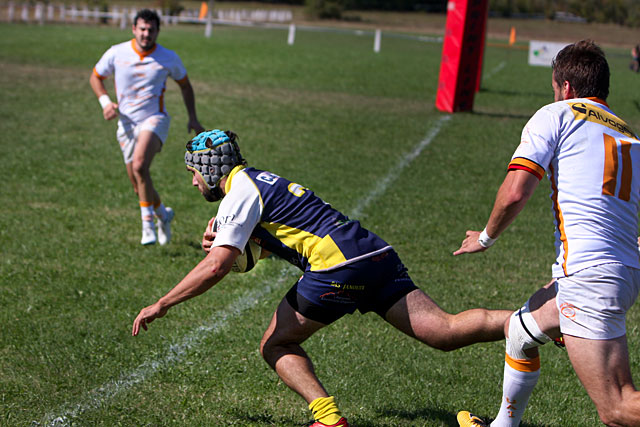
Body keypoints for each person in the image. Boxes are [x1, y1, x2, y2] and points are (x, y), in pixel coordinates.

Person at [131, 129, 511, 427]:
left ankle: (328, 419)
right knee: (443, 331)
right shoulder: (263, 182)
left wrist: (162, 303)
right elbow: (261, 250)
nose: (193, 182)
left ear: (210, 168)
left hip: (337, 266)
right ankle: (531, 322)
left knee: (275, 344)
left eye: (193, 173)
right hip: (373, 253)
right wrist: (233, 250)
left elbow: (216, 267)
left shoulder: (239, 194)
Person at [454, 40, 640, 427]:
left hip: (589, 277)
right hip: (619, 271)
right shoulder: (628, 135)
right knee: (521, 330)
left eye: (554, 88)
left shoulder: (557, 114)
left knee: (618, 408)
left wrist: (485, 237)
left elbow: (516, 190)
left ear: (566, 87)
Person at [90, 9, 204, 246]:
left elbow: (185, 86)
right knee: (137, 183)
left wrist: (193, 117)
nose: (146, 34)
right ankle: (163, 215)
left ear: (157, 32)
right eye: (142, 29)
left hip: (155, 119)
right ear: (133, 29)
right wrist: (105, 103)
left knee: (141, 166)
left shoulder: (168, 57)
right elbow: (96, 77)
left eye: (151, 30)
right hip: (126, 124)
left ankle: (147, 226)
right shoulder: (116, 53)